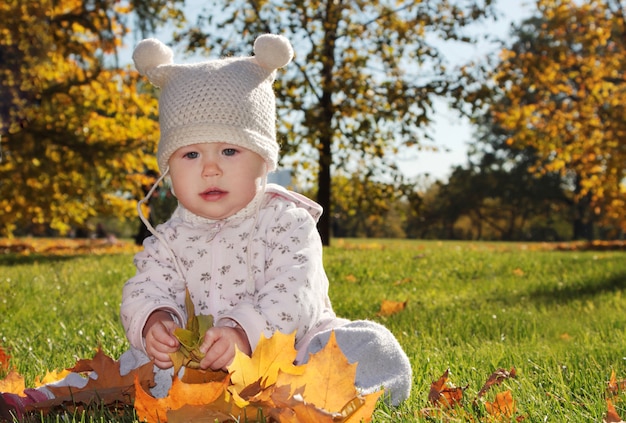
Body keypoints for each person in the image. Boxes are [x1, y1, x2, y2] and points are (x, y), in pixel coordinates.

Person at [0, 34, 412, 420]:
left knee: (366, 346)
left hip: (285, 355)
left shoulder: (287, 222)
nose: (210, 168)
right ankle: (46, 399)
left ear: (264, 160)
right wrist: (154, 321)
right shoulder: (169, 237)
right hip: (189, 365)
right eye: (191, 154)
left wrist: (243, 333)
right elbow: (144, 288)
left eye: (230, 150)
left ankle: (306, 401)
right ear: (168, 169)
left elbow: (294, 294)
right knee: (131, 365)